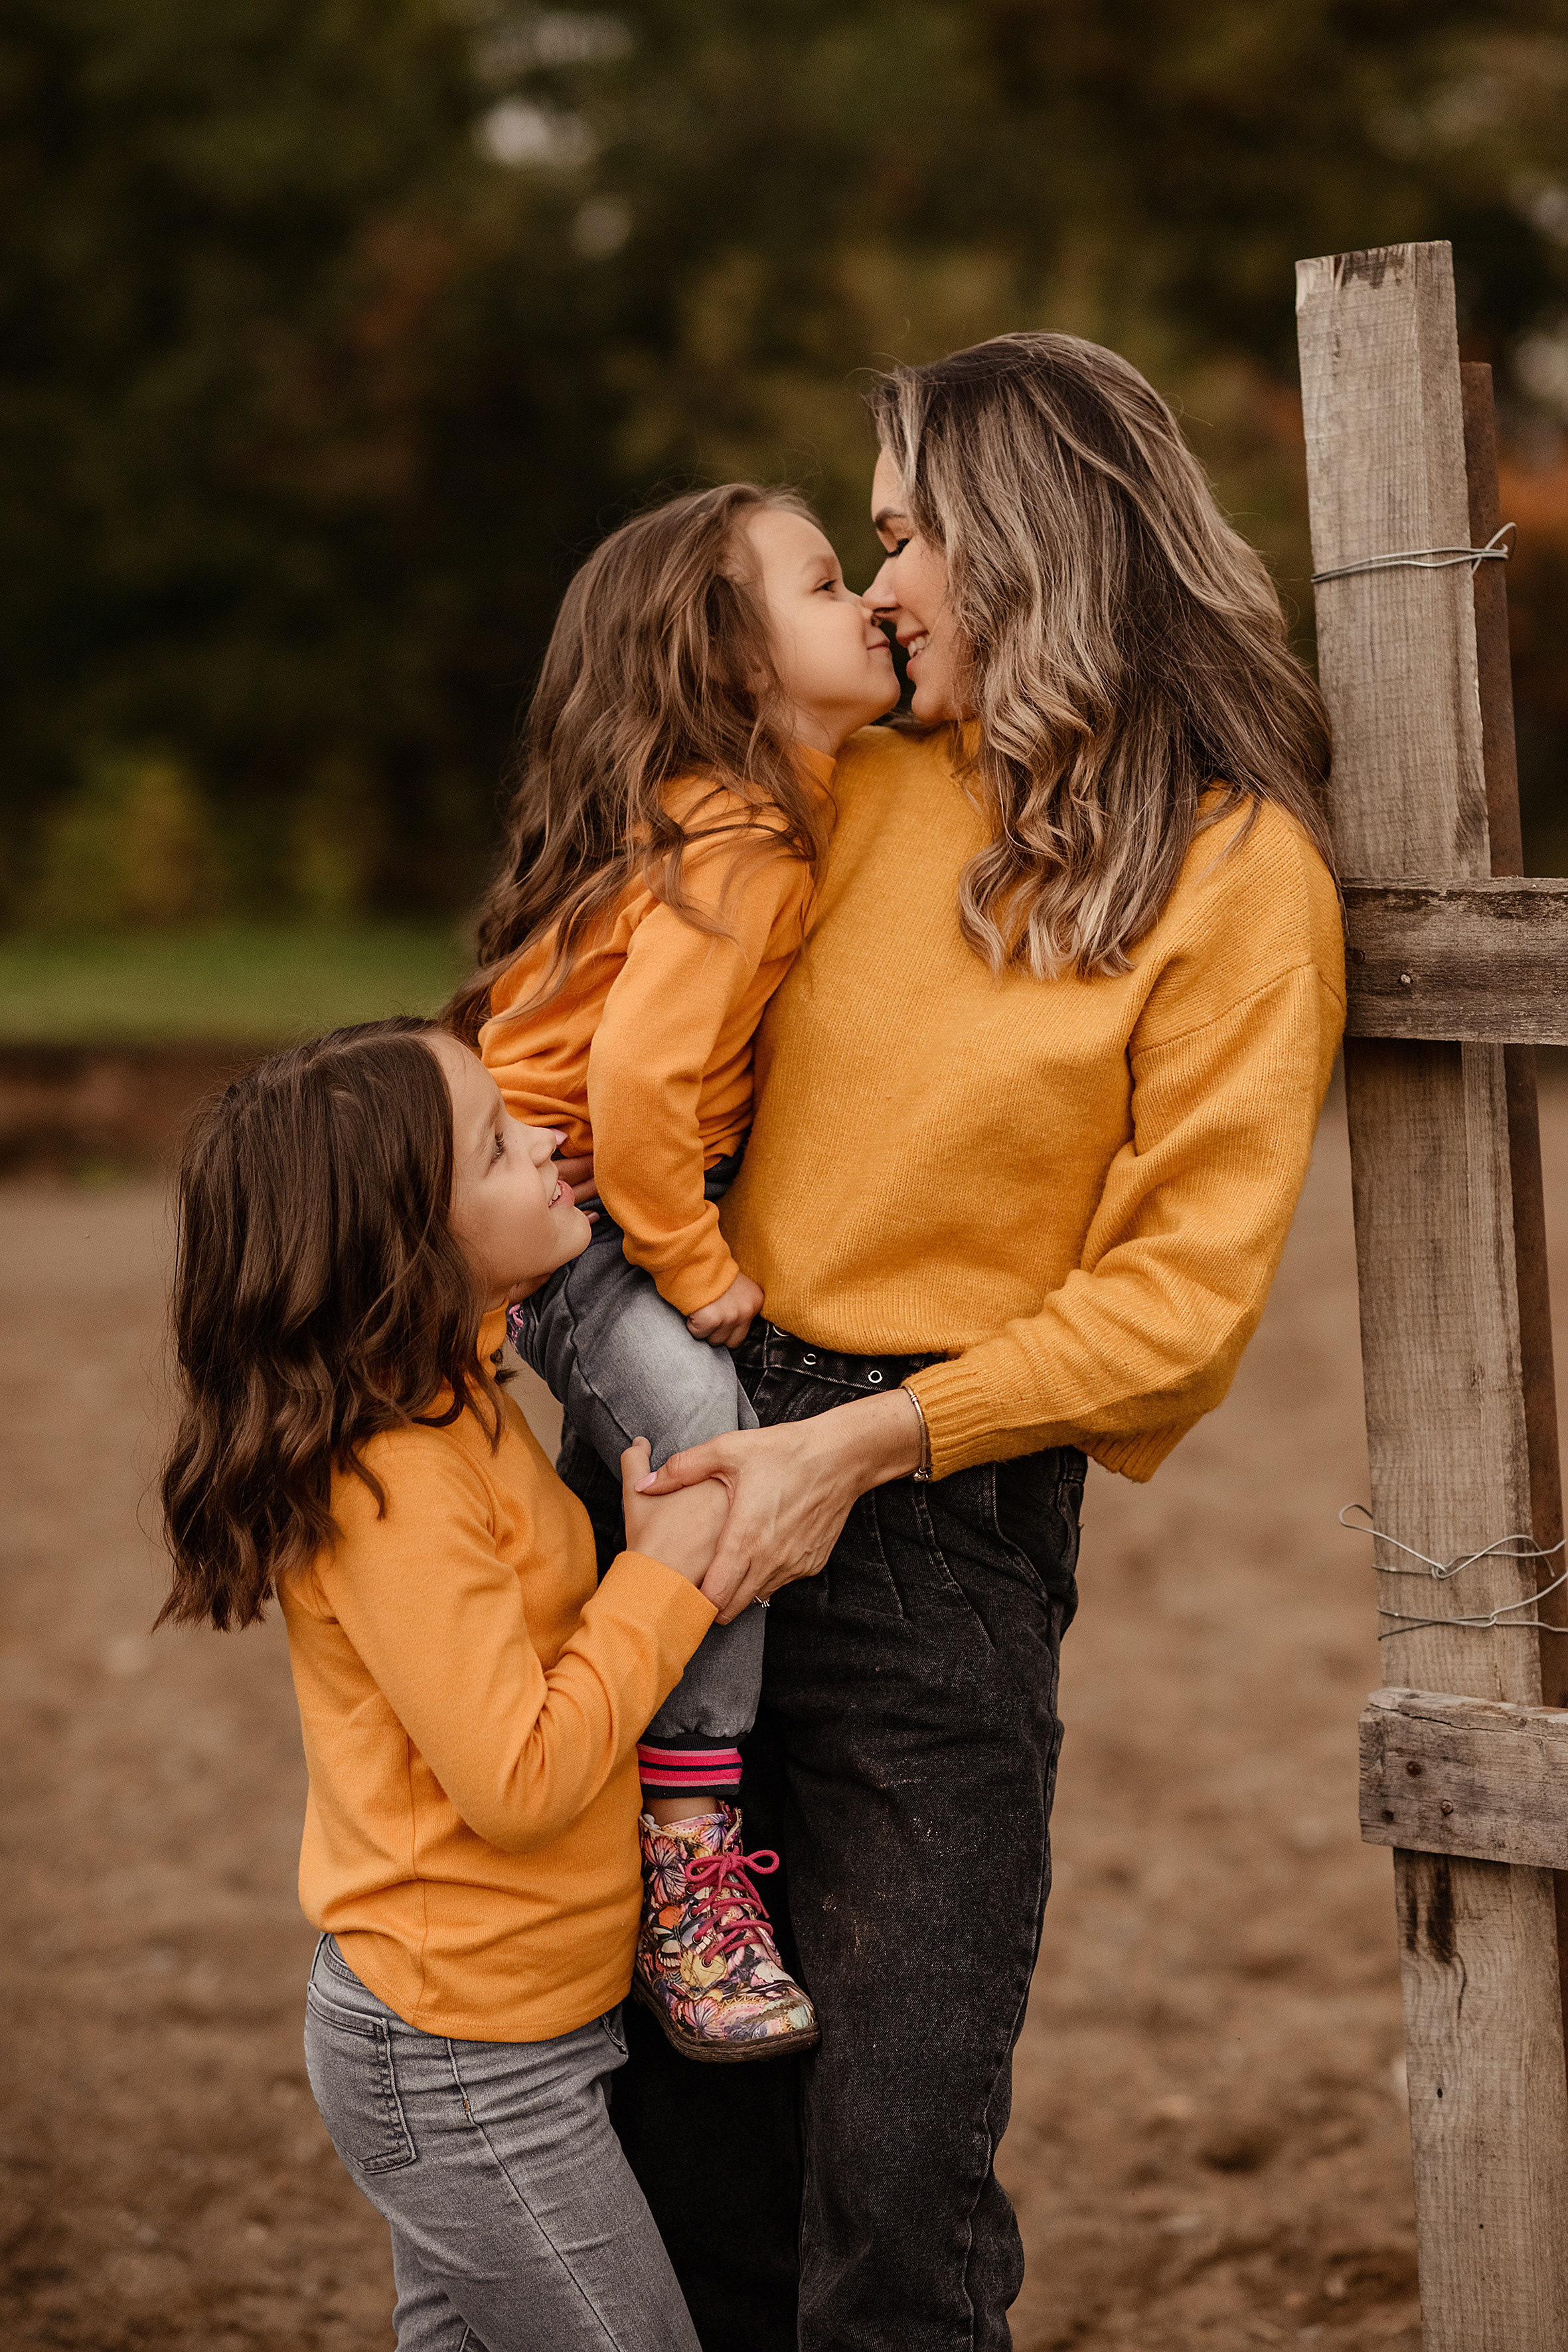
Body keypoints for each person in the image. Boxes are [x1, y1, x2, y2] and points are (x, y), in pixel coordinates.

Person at [564, 333, 1348, 2350]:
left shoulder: (1237, 875)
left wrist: (857, 1447)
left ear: (1028, 537)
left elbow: (1175, 1308)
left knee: (897, 2170)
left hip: (930, 1519)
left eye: (904, 535)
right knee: (686, 2154)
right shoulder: (840, 789)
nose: (883, 586)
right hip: (672, 1469)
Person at [155, 1016, 736, 2352]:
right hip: (462, 2059)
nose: (546, 1139)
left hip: (510, 2025)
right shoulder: (395, 1480)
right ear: (405, 1242)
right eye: (495, 1143)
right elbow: (516, 1781)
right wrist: (662, 1582)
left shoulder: (461, 1398)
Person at [445, 482, 900, 2059]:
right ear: (733, 662)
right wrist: (697, 1267)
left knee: (653, 1463)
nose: (868, 601)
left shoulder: (767, 802)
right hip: (578, 1213)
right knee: (706, 1436)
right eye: (825, 582)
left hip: (595, 1193)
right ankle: (689, 1852)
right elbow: (634, 1087)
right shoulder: (747, 831)